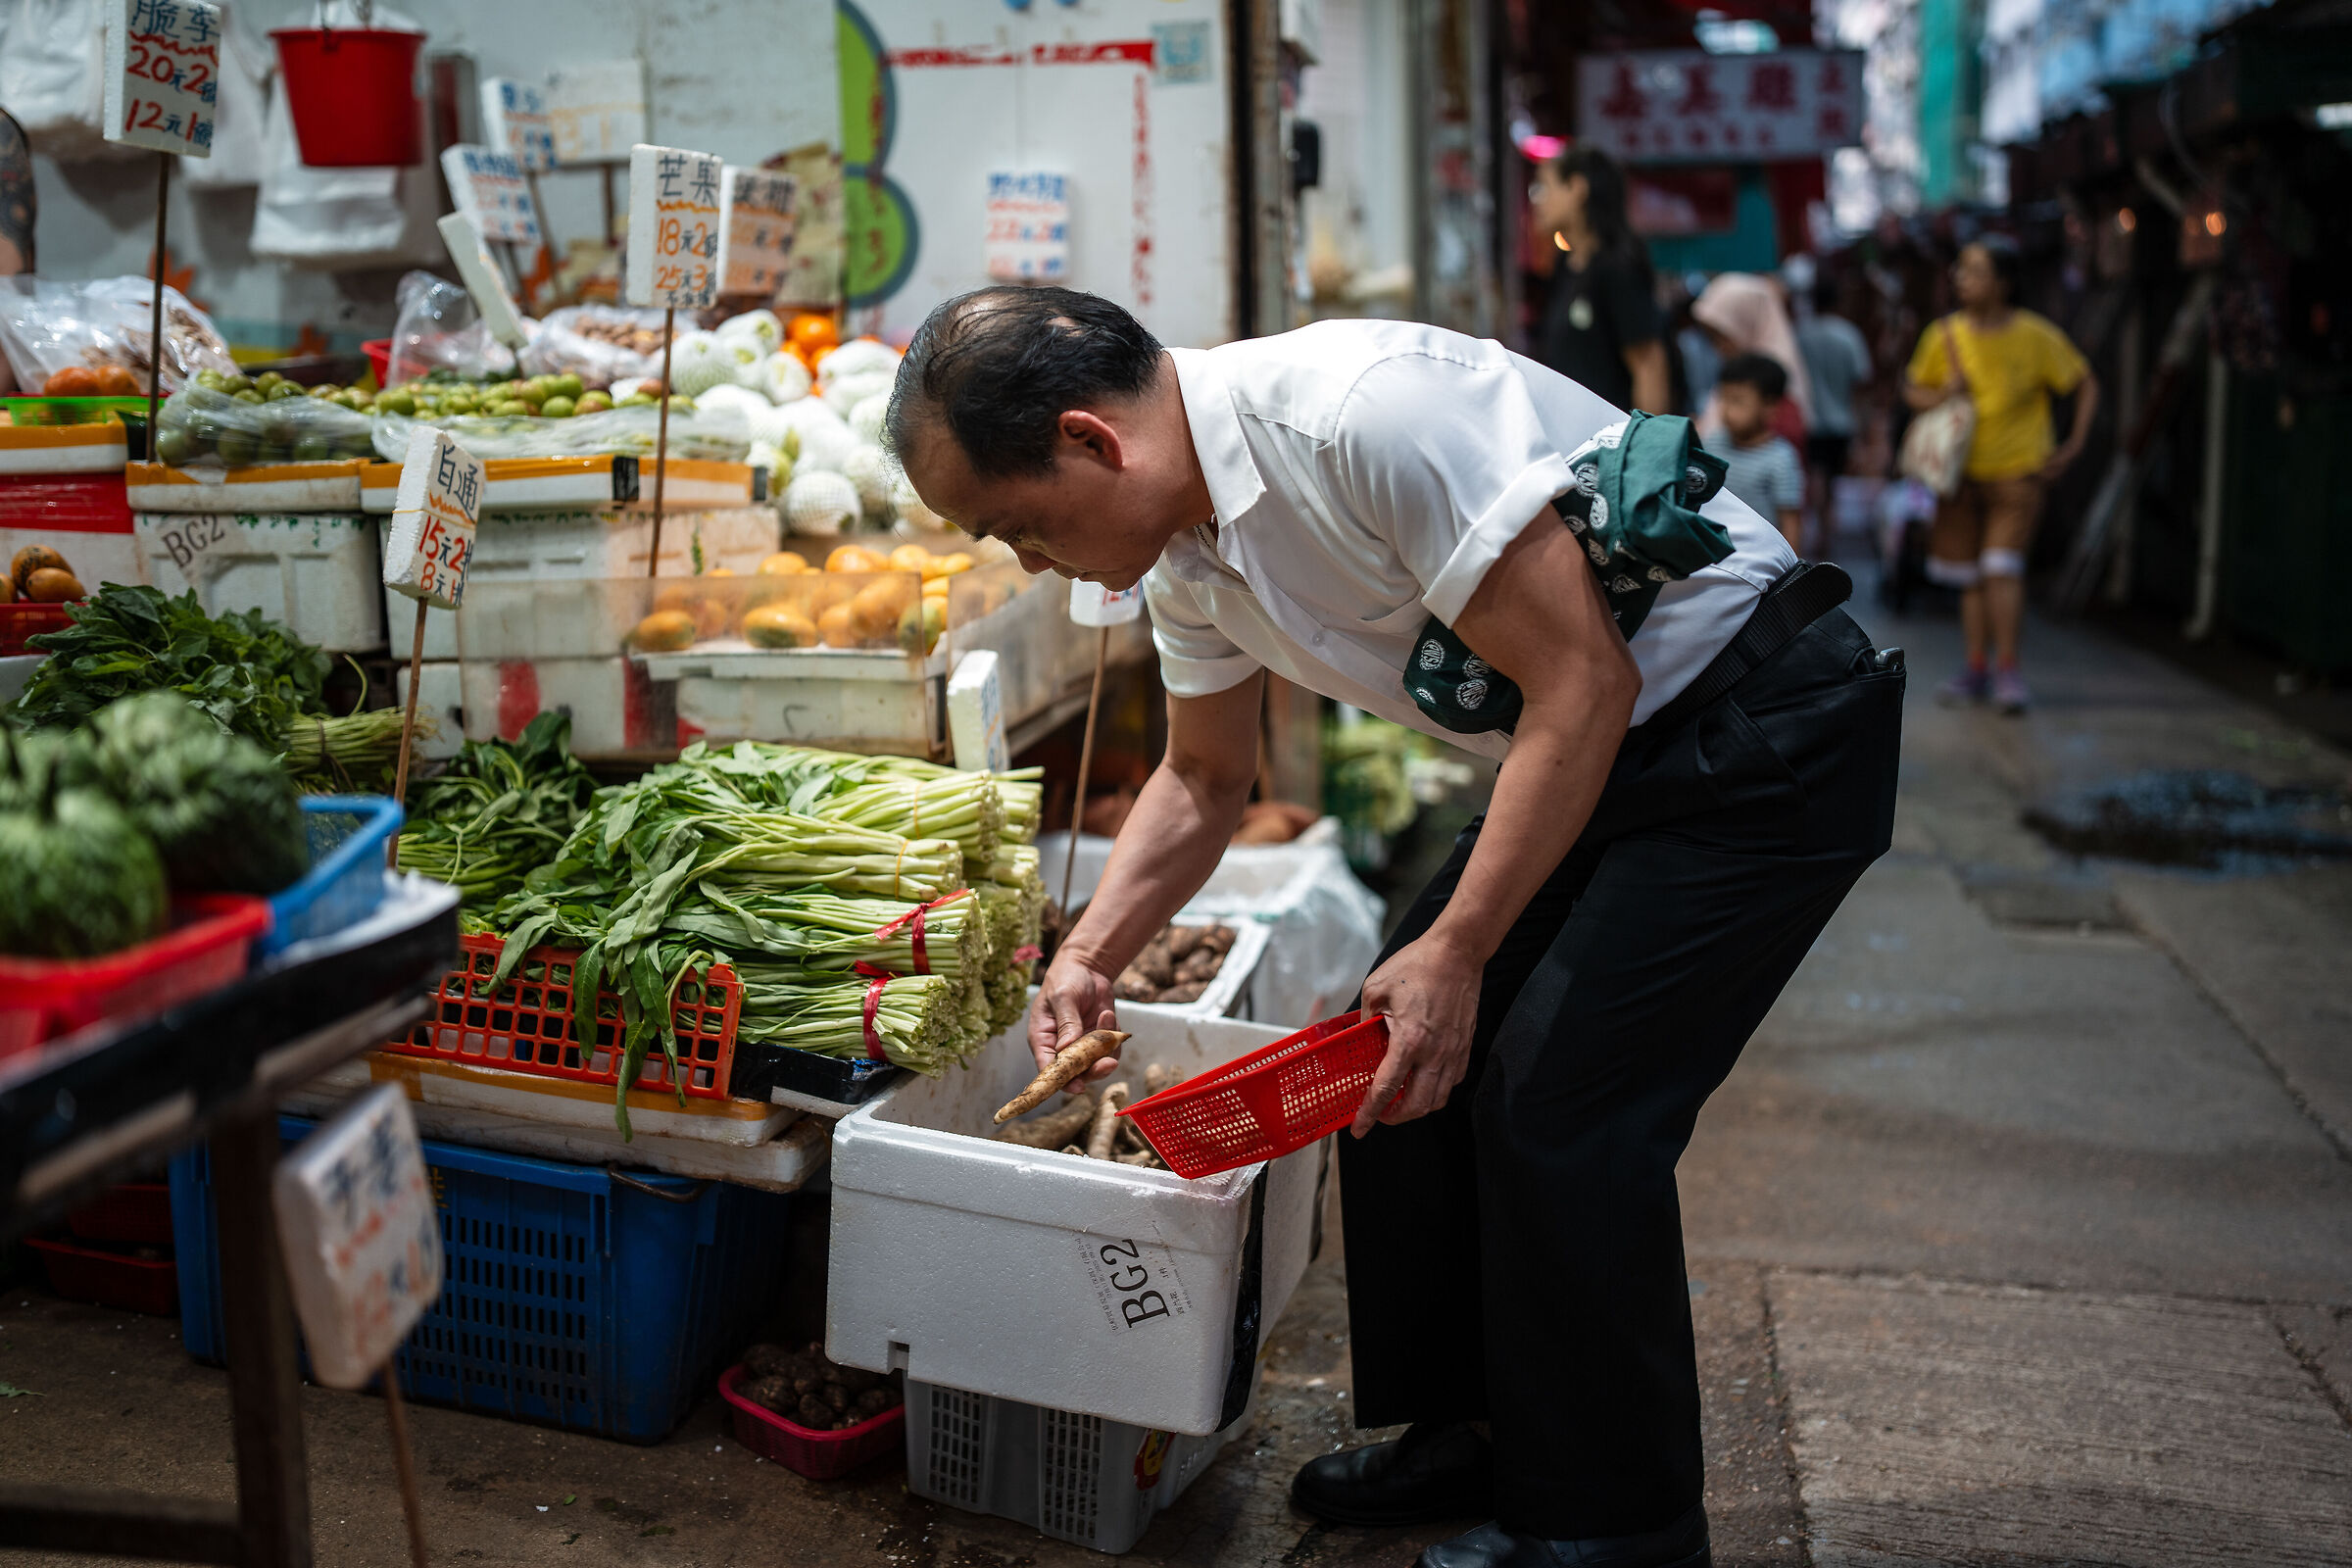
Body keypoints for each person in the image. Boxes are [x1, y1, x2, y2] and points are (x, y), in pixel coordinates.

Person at [889, 286, 1904, 1568]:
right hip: (1609, 749)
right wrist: (1086, 952)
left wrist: (1462, 947)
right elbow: (1205, 779)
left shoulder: (1360, 420)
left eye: (1021, 529)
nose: (1031, 565)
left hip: (1761, 732)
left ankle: (1617, 1529)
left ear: (1094, 443)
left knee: (1558, 1108)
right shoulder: (1192, 548)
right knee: (1385, 1059)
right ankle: (1482, 1432)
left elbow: (1587, 678)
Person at [1905, 235, 2098, 713]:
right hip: (1958, 475)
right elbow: (1913, 392)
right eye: (1961, 269)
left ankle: (2007, 671)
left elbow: (2085, 382)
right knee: (1970, 576)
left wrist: (2074, 445)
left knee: (2000, 569)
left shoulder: (2035, 335)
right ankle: (1976, 667)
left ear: (2004, 282)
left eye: (1973, 270)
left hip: (2018, 472)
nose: (1960, 278)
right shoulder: (1943, 334)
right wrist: (1943, 392)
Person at [1526, 144, 1670, 414]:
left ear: (1577, 188)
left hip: (1611, 443)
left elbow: (1648, 365)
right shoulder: (1565, 267)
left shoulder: (1617, 267)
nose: (1537, 202)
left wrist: (1646, 448)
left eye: (1543, 189)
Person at [1794, 271, 1873, 555]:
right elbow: (1861, 381)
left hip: (1809, 418)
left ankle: (1816, 528)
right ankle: (1826, 529)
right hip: (1842, 420)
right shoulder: (1848, 335)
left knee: (1814, 473)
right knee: (1832, 478)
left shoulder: (1800, 333)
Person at [1690, 271, 1811, 450]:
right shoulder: (1738, 366)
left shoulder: (1773, 373)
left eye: (1722, 336)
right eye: (1712, 338)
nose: (1718, 347)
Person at [1712, 354, 1805, 550]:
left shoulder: (1781, 458)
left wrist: (1791, 571)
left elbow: (1790, 519)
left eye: (1738, 401)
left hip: (1759, 555)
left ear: (1770, 406)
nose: (1727, 410)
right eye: (1724, 399)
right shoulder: (1712, 444)